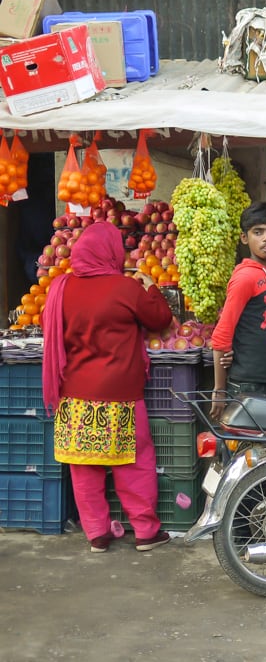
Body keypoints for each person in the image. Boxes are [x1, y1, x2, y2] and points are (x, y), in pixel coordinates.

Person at [41, 221, 173, 553]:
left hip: (74, 396)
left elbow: (46, 324)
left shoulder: (60, 288)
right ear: (112, 252)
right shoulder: (125, 288)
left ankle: (97, 535)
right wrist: (150, 287)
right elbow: (160, 319)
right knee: (135, 462)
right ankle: (145, 532)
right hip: (122, 395)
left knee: (84, 466)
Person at [211, 202, 266, 417]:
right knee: (244, 448)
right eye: (258, 232)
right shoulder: (244, 277)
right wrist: (219, 389)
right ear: (245, 238)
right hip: (245, 383)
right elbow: (222, 334)